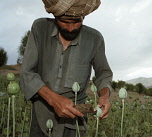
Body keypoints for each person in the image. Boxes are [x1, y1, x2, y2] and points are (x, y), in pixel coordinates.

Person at [20, 0, 113, 136]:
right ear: (55, 16)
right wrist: (53, 100)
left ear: (83, 17)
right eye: (64, 21)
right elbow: (27, 72)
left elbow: (103, 74)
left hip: (75, 121)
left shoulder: (95, 39)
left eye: (76, 22)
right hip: (41, 116)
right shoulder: (40, 28)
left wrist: (104, 96)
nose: (70, 28)